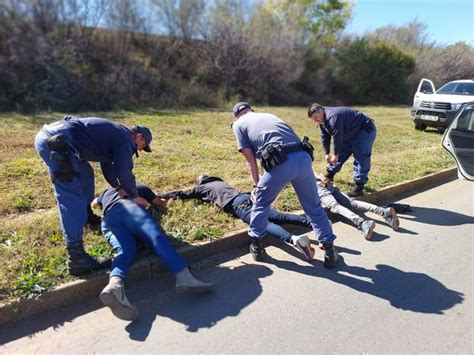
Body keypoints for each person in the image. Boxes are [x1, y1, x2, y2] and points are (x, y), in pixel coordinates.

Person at [34, 115, 153, 276]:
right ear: (138, 137)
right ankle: (76, 257)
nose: (139, 150)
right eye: (142, 145)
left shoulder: (116, 134)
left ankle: (87, 216)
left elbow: (108, 167)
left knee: (85, 175)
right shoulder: (125, 139)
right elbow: (124, 171)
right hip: (58, 143)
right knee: (71, 196)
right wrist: (133, 196)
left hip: (59, 139)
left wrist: (118, 187)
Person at [231, 102, 338, 268]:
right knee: (313, 205)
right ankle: (330, 252)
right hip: (303, 157)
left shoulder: (238, 124)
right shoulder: (268, 115)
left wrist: (256, 186)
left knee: (260, 203)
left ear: (237, 116)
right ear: (251, 110)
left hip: (280, 162)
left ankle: (257, 247)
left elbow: (250, 159)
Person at [93, 184, 213, 321]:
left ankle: (115, 284)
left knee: (125, 250)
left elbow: (94, 203)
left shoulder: (105, 193)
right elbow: (160, 203)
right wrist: (163, 201)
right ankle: (184, 276)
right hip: (129, 208)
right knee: (155, 238)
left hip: (108, 220)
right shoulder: (139, 187)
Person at [159, 175, 316, 261]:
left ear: (201, 183)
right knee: (280, 216)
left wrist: (161, 196)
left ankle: (294, 240)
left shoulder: (203, 187)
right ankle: (315, 224)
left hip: (237, 204)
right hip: (246, 197)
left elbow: (183, 194)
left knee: (262, 224)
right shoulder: (220, 182)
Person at [307, 103, 377, 197]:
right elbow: (325, 136)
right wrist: (327, 153)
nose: (316, 121)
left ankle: (359, 186)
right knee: (342, 153)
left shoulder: (333, 116)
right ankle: (330, 174)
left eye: (316, 117)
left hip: (363, 130)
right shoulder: (322, 121)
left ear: (320, 110)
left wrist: (335, 154)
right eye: (313, 119)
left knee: (361, 156)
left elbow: (337, 136)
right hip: (349, 132)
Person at [315, 173, 399, 240]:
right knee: (352, 203)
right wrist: (322, 178)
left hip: (317, 188)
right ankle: (383, 211)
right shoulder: (304, 164)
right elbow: (319, 174)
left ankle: (362, 223)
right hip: (326, 183)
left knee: (335, 206)